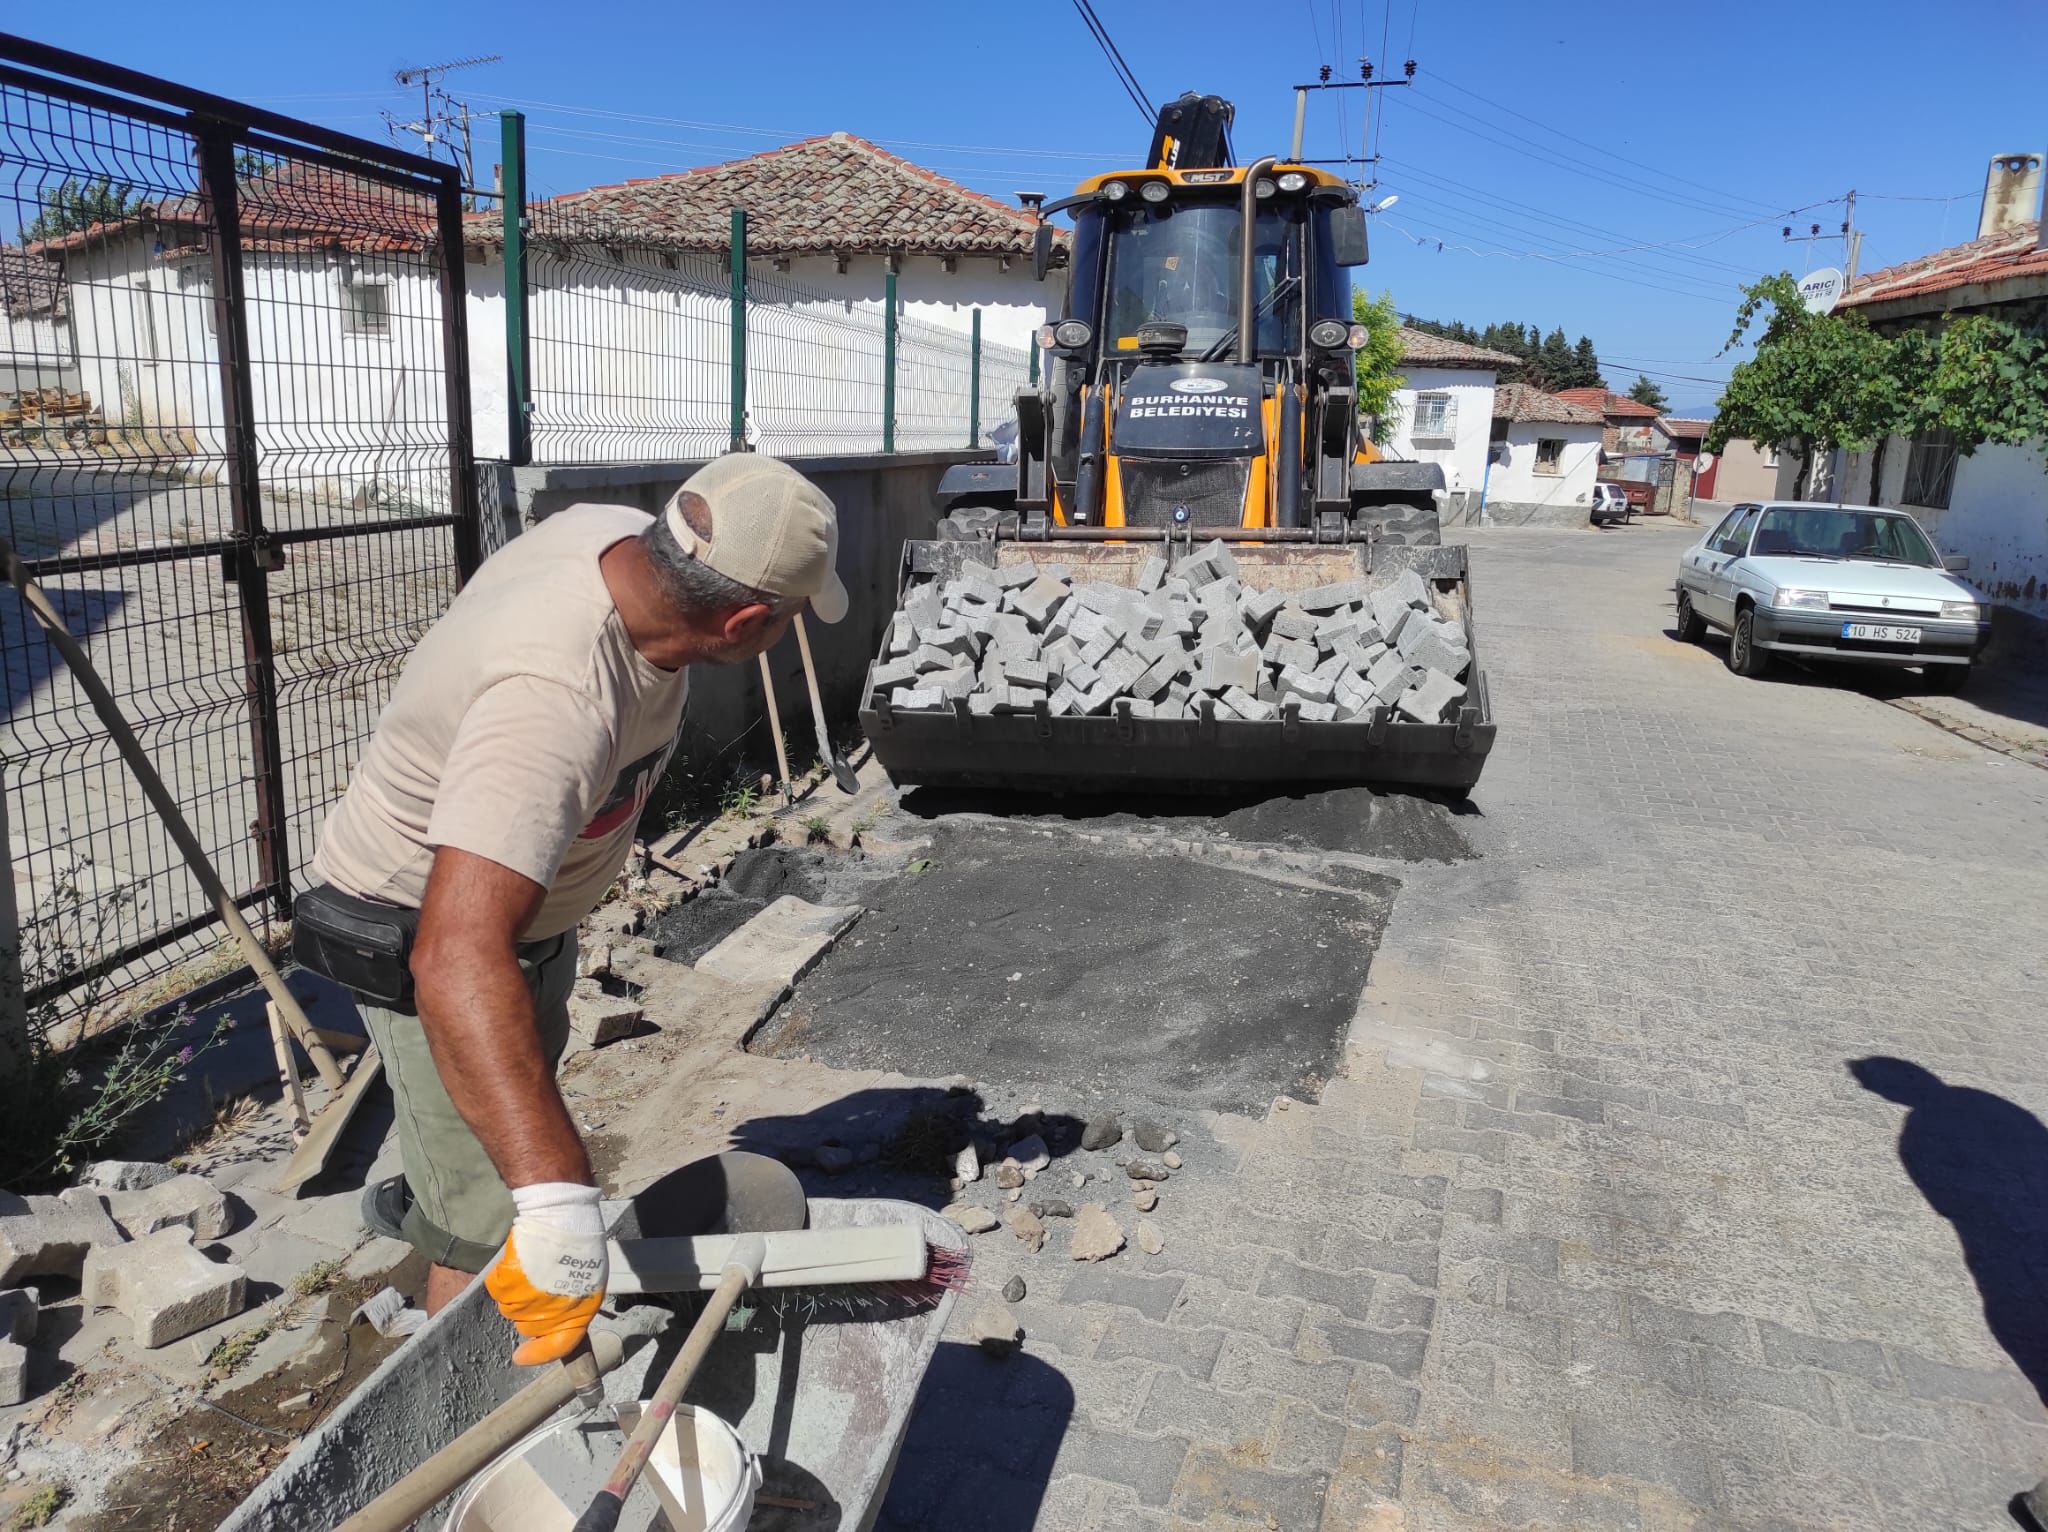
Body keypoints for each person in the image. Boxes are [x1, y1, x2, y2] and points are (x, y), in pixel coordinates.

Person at [303, 452, 846, 1364]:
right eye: (787, 620)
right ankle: (457, 1413)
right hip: (429, 943)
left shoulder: (610, 535)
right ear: (746, 621)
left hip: (512, 926)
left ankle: (444, 1197)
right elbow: (454, 957)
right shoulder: (555, 702)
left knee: (498, 1145)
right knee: (490, 1221)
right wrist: (556, 1199)